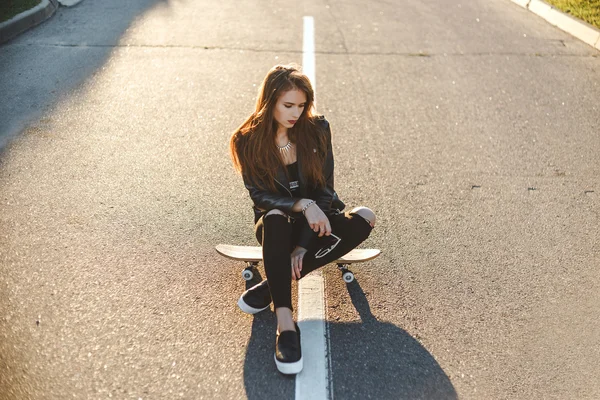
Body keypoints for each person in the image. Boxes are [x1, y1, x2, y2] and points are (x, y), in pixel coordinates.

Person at [229, 64, 376, 375]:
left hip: (316, 222)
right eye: (288, 105)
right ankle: (285, 325)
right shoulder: (246, 140)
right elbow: (260, 196)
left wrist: (303, 246)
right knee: (276, 215)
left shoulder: (317, 130)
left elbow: (325, 189)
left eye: (301, 105)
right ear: (270, 102)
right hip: (275, 226)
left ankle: (271, 286)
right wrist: (302, 203)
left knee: (365, 216)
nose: (296, 113)